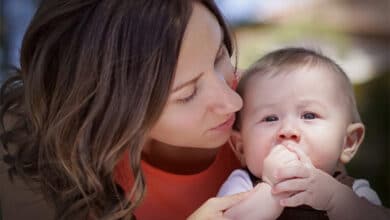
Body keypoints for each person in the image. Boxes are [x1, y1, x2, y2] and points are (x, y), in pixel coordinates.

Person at [0, 0, 251, 219]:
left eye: (219, 56)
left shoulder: (273, 109)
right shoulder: (61, 170)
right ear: (112, 111)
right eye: (187, 95)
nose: (234, 102)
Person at [217, 47, 390, 219]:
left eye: (309, 115)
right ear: (241, 147)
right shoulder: (242, 185)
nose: (288, 131)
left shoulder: (354, 192)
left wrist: (335, 200)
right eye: (270, 118)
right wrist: (271, 190)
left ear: (348, 142)